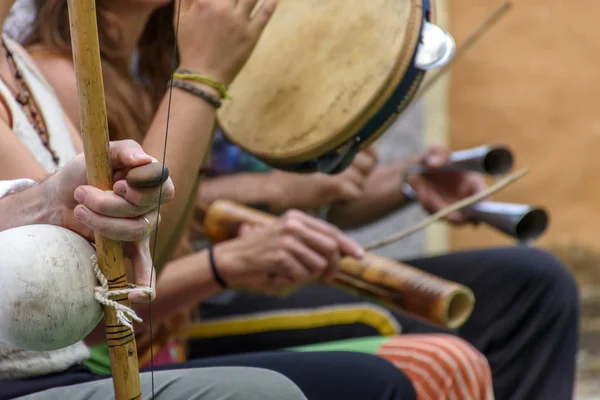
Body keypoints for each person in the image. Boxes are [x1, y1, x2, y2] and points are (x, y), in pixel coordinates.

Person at [0, 2, 424, 399]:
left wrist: (408, 180)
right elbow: (106, 290)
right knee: (395, 373)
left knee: (398, 372)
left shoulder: (21, 67)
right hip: (88, 360)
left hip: (104, 354)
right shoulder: (59, 70)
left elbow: (126, 262)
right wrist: (200, 76)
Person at [0, 140, 309, 400]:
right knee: (268, 392)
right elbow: (90, 311)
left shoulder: (33, 76)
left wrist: (131, 205)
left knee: (347, 373)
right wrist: (198, 83)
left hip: (75, 369)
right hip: (30, 380)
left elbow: (117, 268)